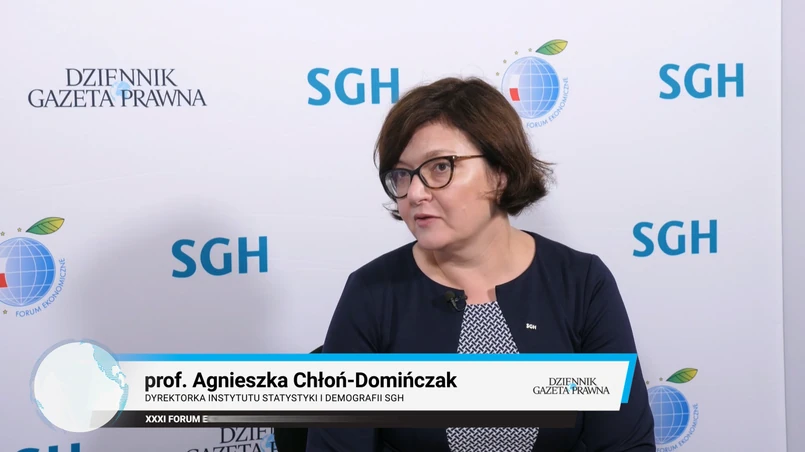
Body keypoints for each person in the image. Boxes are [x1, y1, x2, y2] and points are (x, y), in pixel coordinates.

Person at [305, 77, 655, 452]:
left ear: (500, 173)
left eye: (440, 167)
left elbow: (625, 444)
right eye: (402, 174)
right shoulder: (371, 293)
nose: (416, 193)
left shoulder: (581, 283)